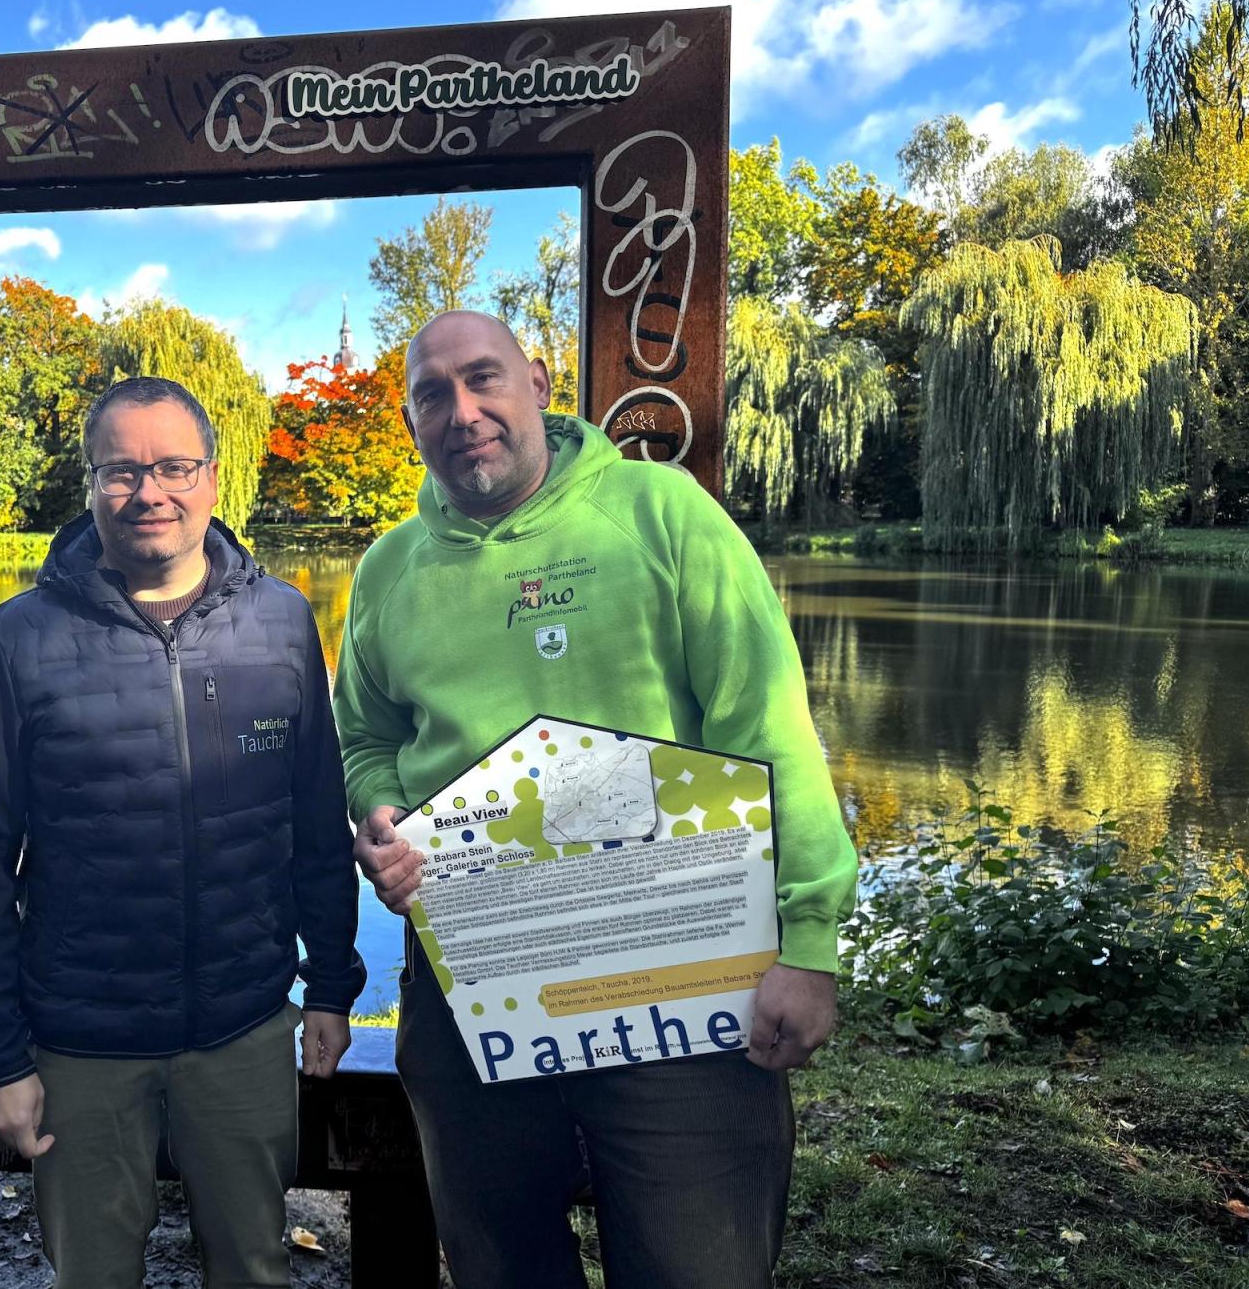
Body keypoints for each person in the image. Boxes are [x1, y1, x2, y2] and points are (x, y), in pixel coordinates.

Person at [334, 311, 858, 1289]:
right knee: (501, 1266)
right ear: (409, 421)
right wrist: (380, 814)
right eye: (431, 396)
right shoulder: (388, 573)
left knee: (695, 1266)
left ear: (538, 381)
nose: (464, 412)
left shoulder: (662, 514)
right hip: (474, 971)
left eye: (484, 379)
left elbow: (769, 721)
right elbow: (364, 739)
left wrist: (810, 940)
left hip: (682, 963)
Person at [0, 375, 365, 1289]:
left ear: (213, 478)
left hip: (244, 1028)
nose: (149, 493)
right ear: (91, 485)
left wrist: (331, 984)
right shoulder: (16, 640)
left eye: (174, 466)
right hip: (81, 1039)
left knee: (253, 1268)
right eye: (121, 471)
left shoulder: (283, 623)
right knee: (93, 1276)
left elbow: (317, 825)